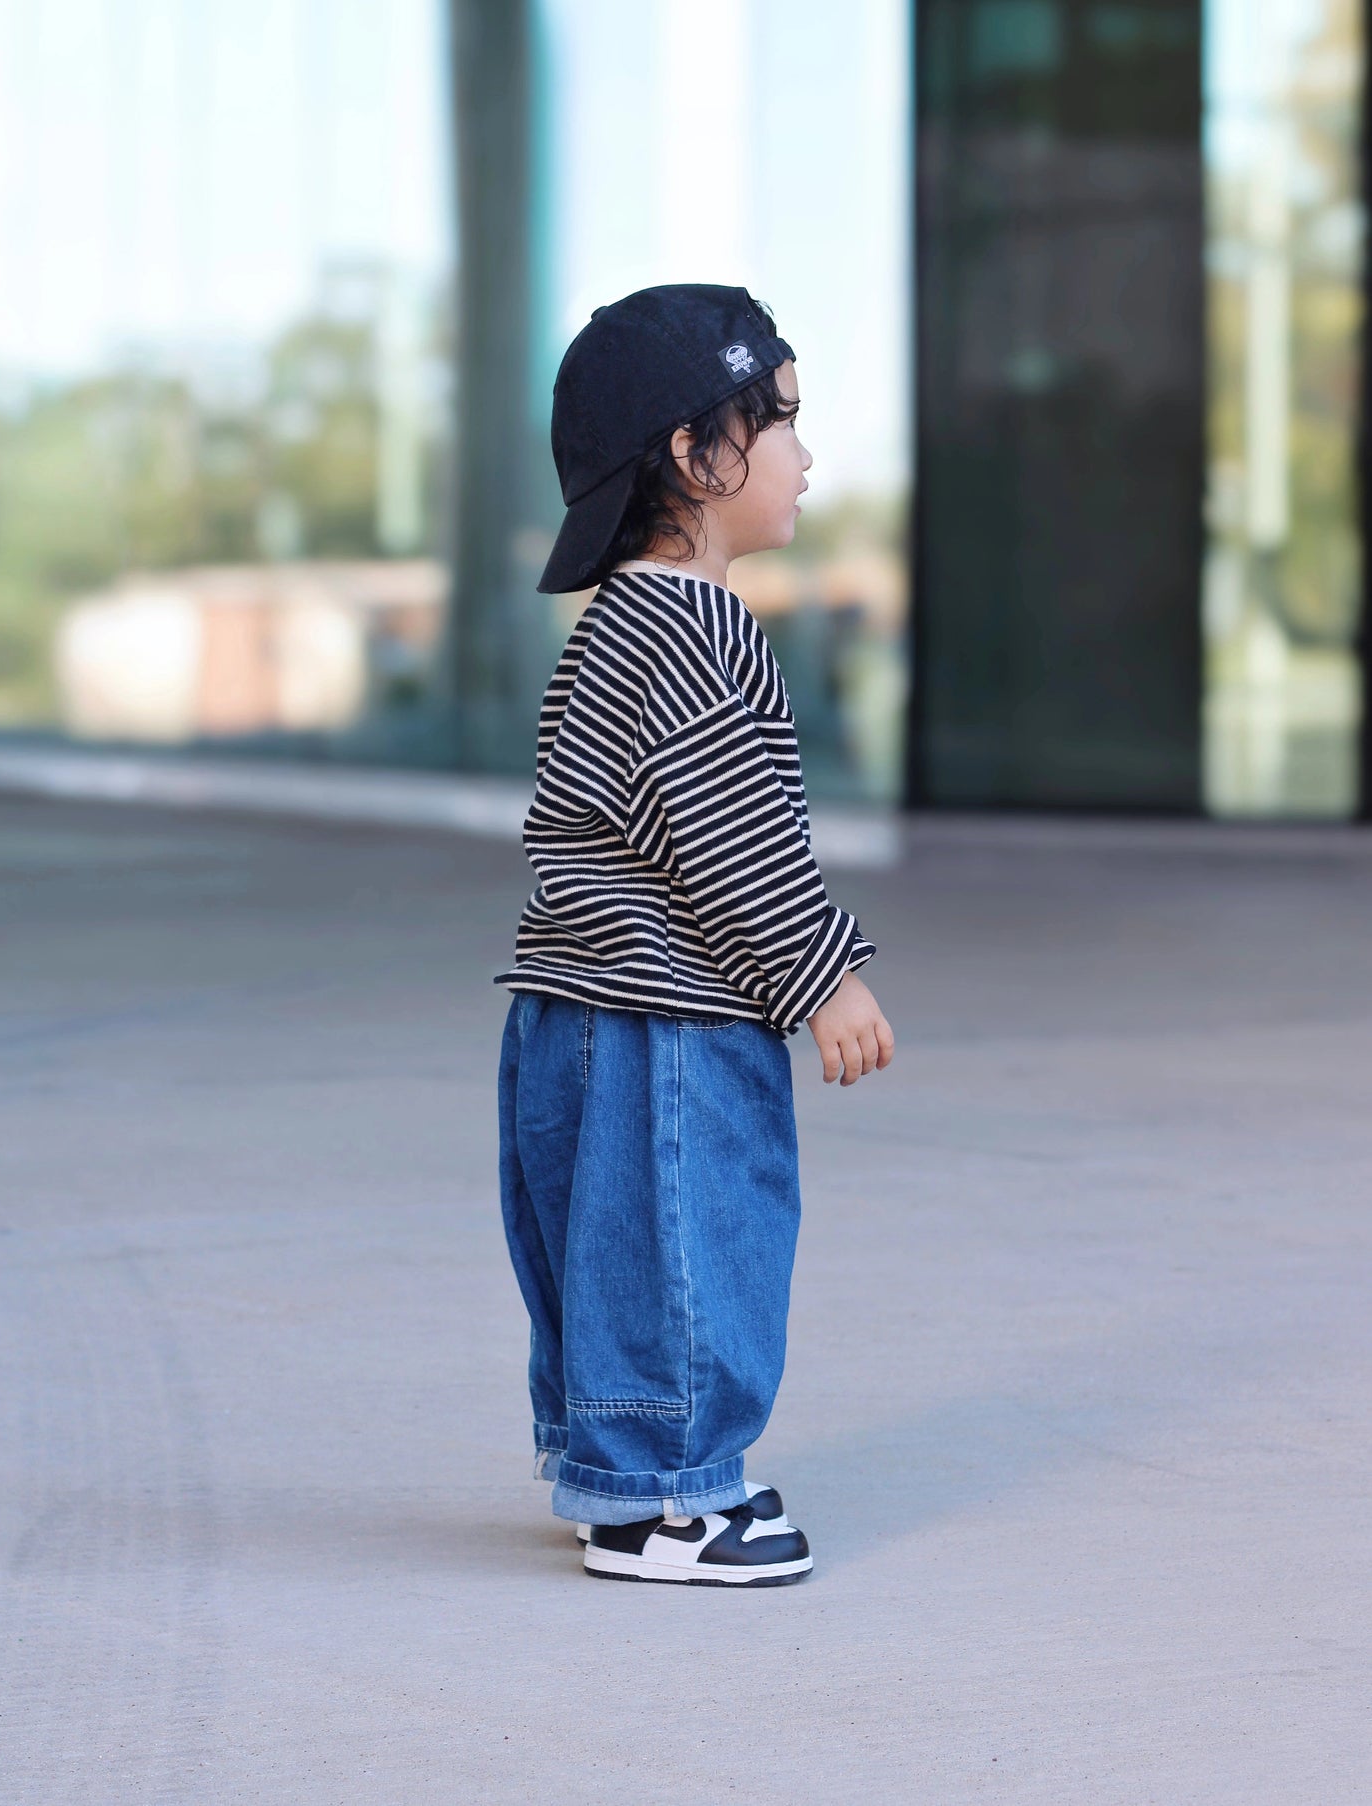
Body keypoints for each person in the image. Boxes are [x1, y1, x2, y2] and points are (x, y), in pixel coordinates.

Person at [494, 284, 894, 1586]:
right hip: (670, 1019)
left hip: (576, 1008)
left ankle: (619, 1466)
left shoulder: (616, 621)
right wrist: (822, 975)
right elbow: (731, 836)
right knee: (692, 1242)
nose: (804, 455)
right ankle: (668, 1495)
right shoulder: (698, 625)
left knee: (607, 1245)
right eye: (777, 421)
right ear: (691, 453)